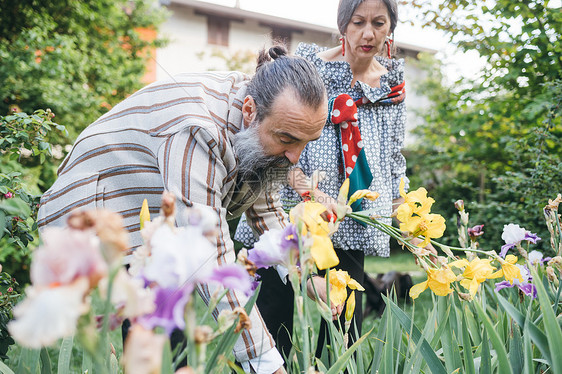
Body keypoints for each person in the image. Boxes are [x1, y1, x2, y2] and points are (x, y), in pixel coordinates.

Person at [37, 44, 328, 374]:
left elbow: (264, 208)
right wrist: (265, 362)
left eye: (307, 142)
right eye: (288, 139)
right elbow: (207, 252)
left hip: (154, 211)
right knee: (162, 328)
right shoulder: (197, 129)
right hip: (96, 206)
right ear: (250, 111)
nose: (296, 158)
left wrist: (304, 274)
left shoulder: (259, 112)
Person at [236, 0, 434, 360]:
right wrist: (304, 187)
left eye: (379, 22)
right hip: (291, 204)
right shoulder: (310, 67)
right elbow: (275, 135)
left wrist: (409, 220)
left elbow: (393, 156)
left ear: (391, 28)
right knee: (272, 311)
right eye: (358, 22)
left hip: (351, 214)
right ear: (343, 25)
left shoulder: (391, 87)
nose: (368, 33)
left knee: (345, 322)